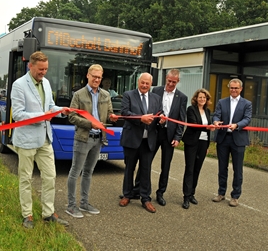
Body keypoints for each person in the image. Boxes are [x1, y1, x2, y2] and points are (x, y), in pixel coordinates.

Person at [11, 51, 70, 229]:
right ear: (30, 66)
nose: (43, 72)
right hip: (26, 139)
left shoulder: (46, 83)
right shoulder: (19, 85)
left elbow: (50, 106)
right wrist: (42, 116)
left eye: (45, 69)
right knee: (26, 178)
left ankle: (48, 213)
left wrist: (60, 110)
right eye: (40, 69)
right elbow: (18, 114)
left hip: (45, 138)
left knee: (50, 176)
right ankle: (27, 215)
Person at [66, 64, 118, 218]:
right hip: (83, 138)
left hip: (98, 139)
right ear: (88, 76)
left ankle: (84, 203)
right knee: (75, 171)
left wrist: (112, 117)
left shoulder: (106, 95)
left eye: (99, 77)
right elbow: (71, 117)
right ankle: (71, 205)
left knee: (89, 172)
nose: (96, 79)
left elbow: (109, 113)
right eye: (94, 76)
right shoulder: (78, 95)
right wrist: (90, 124)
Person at [133, 68, 187, 206]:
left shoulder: (181, 97)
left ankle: (160, 193)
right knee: (146, 161)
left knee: (166, 165)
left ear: (178, 81)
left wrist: (178, 137)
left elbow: (181, 119)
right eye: (169, 81)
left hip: (170, 134)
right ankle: (136, 189)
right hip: (154, 132)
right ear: (166, 79)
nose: (170, 84)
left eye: (173, 82)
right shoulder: (155, 90)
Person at [119, 73, 164, 213]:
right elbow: (125, 113)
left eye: (147, 83)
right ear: (138, 82)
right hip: (132, 139)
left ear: (151, 84)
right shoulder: (128, 95)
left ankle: (146, 198)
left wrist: (161, 119)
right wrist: (140, 119)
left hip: (148, 141)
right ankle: (127, 194)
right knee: (129, 168)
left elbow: (158, 114)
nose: (145, 85)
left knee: (146, 170)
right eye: (142, 82)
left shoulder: (156, 98)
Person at [212, 78, 252, 207]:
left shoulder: (247, 104)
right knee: (222, 167)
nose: (233, 90)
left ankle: (235, 196)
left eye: (236, 88)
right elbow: (216, 115)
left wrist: (237, 125)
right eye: (231, 88)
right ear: (229, 88)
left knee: (237, 169)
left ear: (241, 89)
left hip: (238, 140)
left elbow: (247, 119)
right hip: (223, 139)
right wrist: (216, 121)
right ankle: (221, 193)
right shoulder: (222, 102)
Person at [181, 89, 215, 209]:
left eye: (204, 98)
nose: (202, 99)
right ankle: (185, 196)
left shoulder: (207, 111)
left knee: (197, 169)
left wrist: (207, 146)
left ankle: (191, 194)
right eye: (200, 97)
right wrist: (209, 127)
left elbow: (208, 130)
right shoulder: (191, 109)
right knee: (189, 168)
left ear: (207, 100)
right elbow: (194, 124)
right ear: (196, 98)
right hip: (191, 142)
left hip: (203, 143)